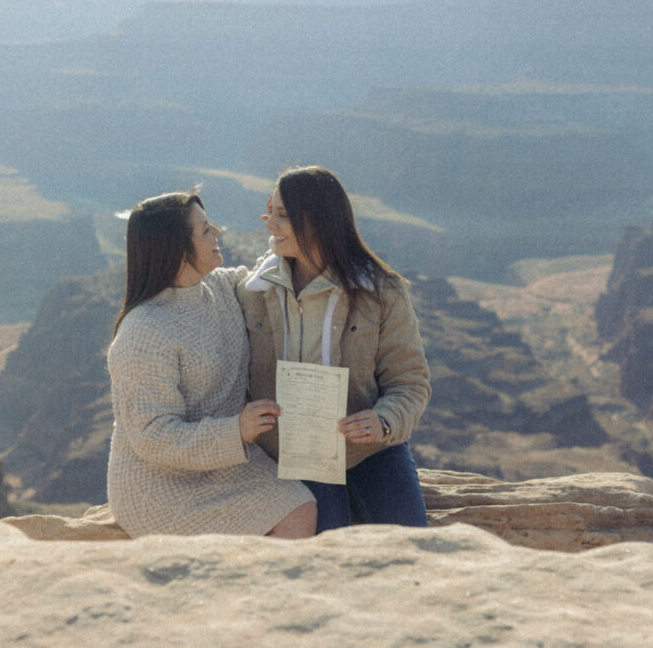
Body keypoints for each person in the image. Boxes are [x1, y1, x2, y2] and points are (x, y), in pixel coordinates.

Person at [106, 189, 316, 538]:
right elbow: (152, 436)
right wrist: (235, 431)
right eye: (204, 230)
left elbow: (265, 273)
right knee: (297, 512)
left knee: (300, 506)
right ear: (175, 248)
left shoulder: (220, 286)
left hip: (228, 464)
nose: (217, 232)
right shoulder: (143, 333)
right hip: (160, 487)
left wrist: (289, 227)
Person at [237, 165, 431, 533]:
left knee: (411, 546)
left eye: (282, 216)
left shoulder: (382, 293)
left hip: (371, 451)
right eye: (270, 213)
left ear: (317, 222)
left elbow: (411, 381)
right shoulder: (253, 293)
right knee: (324, 551)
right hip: (296, 455)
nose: (269, 224)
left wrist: (384, 421)